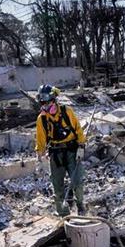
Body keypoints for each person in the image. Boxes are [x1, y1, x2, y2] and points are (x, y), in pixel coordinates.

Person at [34, 85, 86, 216]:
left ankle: (80, 205)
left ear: (54, 100)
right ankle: (63, 214)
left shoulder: (66, 112)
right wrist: (39, 158)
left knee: (77, 182)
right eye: (43, 103)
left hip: (72, 151)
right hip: (56, 154)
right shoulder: (42, 119)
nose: (45, 106)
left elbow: (78, 130)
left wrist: (81, 147)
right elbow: (40, 140)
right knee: (57, 186)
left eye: (47, 102)